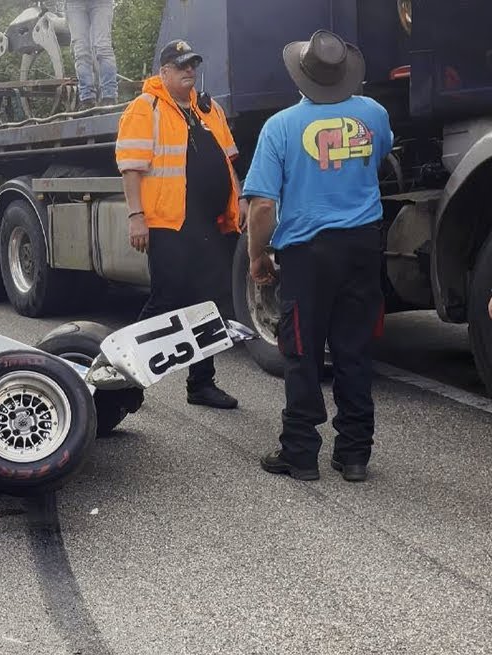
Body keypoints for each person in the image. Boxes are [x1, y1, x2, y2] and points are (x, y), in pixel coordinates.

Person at [243, 30, 393, 483]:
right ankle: (354, 455)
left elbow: (263, 206)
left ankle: (301, 453)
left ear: (302, 76)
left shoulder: (281, 126)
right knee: (354, 348)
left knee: (302, 351)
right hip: (363, 246)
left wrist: (257, 257)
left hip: (308, 253)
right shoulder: (374, 114)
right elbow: (378, 159)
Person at [116, 39, 246, 410]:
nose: (190, 71)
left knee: (207, 305)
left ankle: (201, 384)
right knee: (166, 300)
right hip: (166, 225)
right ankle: (124, 383)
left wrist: (241, 204)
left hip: (209, 224)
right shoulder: (147, 107)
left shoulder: (208, 109)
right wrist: (136, 217)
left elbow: (228, 162)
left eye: (193, 65)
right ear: (164, 72)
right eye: (181, 65)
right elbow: (131, 168)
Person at [63, 0, 117, 109]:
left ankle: (109, 96)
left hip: (101, 3)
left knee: (103, 48)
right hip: (74, 4)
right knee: (81, 51)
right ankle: (87, 98)